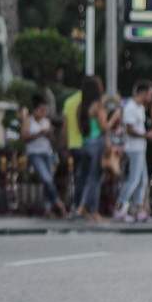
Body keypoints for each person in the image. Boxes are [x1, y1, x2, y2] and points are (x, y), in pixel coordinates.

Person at [72, 76, 115, 222]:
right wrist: (114, 119)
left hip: (85, 143)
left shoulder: (81, 107)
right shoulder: (98, 106)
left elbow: (79, 128)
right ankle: (92, 210)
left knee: (85, 177)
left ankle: (82, 207)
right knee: (95, 180)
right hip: (97, 143)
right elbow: (104, 127)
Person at [115, 80, 152, 222]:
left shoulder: (140, 108)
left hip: (141, 147)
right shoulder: (131, 107)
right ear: (144, 94)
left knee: (143, 180)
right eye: (150, 94)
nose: (151, 98)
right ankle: (120, 207)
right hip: (133, 148)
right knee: (133, 179)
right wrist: (145, 135)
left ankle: (139, 210)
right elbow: (130, 129)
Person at [20, 94, 66, 218]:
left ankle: (48, 208)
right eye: (41, 110)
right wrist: (39, 133)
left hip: (47, 153)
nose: (43, 113)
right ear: (35, 110)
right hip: (35, 154)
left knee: (49, 181)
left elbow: (52, 140)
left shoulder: (47, 122)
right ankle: (57, 202)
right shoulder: (28, 121)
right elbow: (24, 137)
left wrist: (49, 134)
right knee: (46, 179)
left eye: (45, 111)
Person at [62, 87, 85, 216]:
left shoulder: (69, 101)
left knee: (78, 177)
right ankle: (79, 205)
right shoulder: (88, 101)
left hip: (73, 144)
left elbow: (65, 126)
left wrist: (65, 145)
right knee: (84, 178)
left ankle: (77, 205)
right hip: (84, 143)